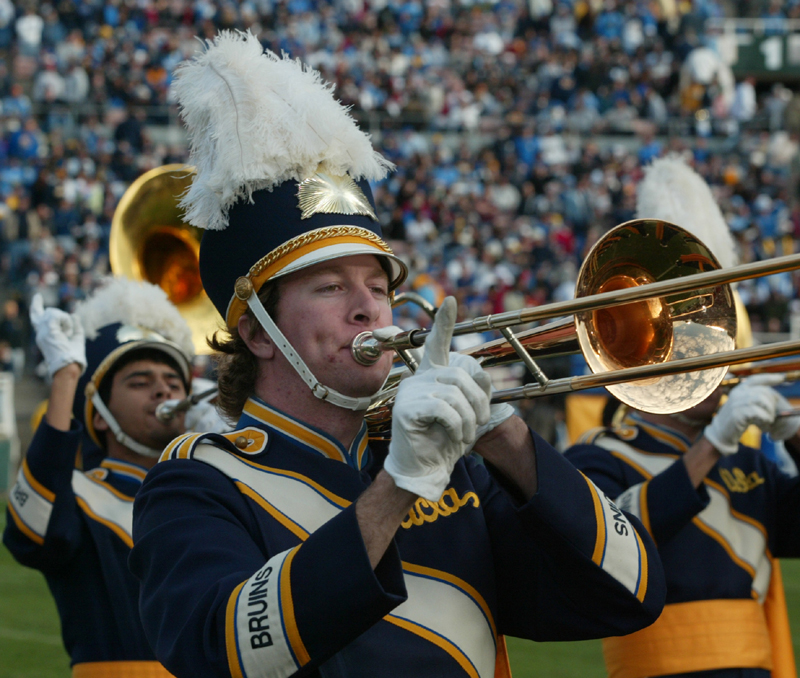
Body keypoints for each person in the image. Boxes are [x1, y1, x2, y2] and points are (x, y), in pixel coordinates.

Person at [129, 31, 666, 678]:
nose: (368, 309)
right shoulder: (198, 482)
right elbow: (228, 649)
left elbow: (631, 595)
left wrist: (507, 436)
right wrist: (397, 489)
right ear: (257, 332)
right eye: (330, 287)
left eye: (379, 286)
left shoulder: (458, 471)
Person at [3, 277, 198, 677]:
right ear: (99, 416)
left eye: (173, 382)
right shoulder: (80, 492)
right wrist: (67, 377)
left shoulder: (207, 496)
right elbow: (30, 533)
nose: (163, 391)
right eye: (140, 383)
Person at [565, 378, 800, 678]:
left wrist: (795, 431)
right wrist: (713, 444)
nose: (712, 376)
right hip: (656, 667)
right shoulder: (599, 454)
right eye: (694, 360)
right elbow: (610, 544)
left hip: (754, 665)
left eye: (719, 362)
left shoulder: (748, 461)